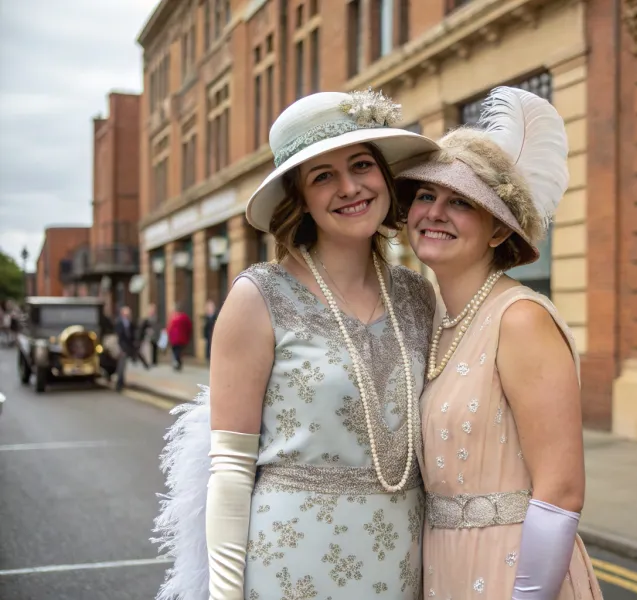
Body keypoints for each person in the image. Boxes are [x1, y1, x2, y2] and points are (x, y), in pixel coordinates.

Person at [152, 88, 439, 600]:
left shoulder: (417, 295)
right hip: (290, 566)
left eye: (361, 165)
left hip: (401, 564)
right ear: (299, 197)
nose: (350, 187)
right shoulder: (257, 296)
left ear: (384, 177)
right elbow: (231, 470)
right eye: (323, 176)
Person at [396, 87, 603, 600]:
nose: (435, 212)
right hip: (442, 568)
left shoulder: (520, 319)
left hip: (514, 570)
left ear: (495, 232)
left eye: (461, 202)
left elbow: (561, 490)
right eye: (427, 195)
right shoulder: (433, 319)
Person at [114, 305, 137, 391]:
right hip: (121, 348)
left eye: (129, 313)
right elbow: (119, 337)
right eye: (126, 313)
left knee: (123, 366)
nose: (128, 315)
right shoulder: (119, 323)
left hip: (128, 347)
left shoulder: (130, 323)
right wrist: (121, 348)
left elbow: (132, 335)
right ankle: (119, 384)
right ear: (122, 314)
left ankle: (121, 382)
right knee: (121, 366)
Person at [166, 303, 192, 371]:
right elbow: (189, 327)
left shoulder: (175, 317)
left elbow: (169, 328)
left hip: (176, 339)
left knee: (176, 351)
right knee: (177, 351)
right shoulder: (183, 317)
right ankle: (178, 363)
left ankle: (177, 363)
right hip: (179, 338)